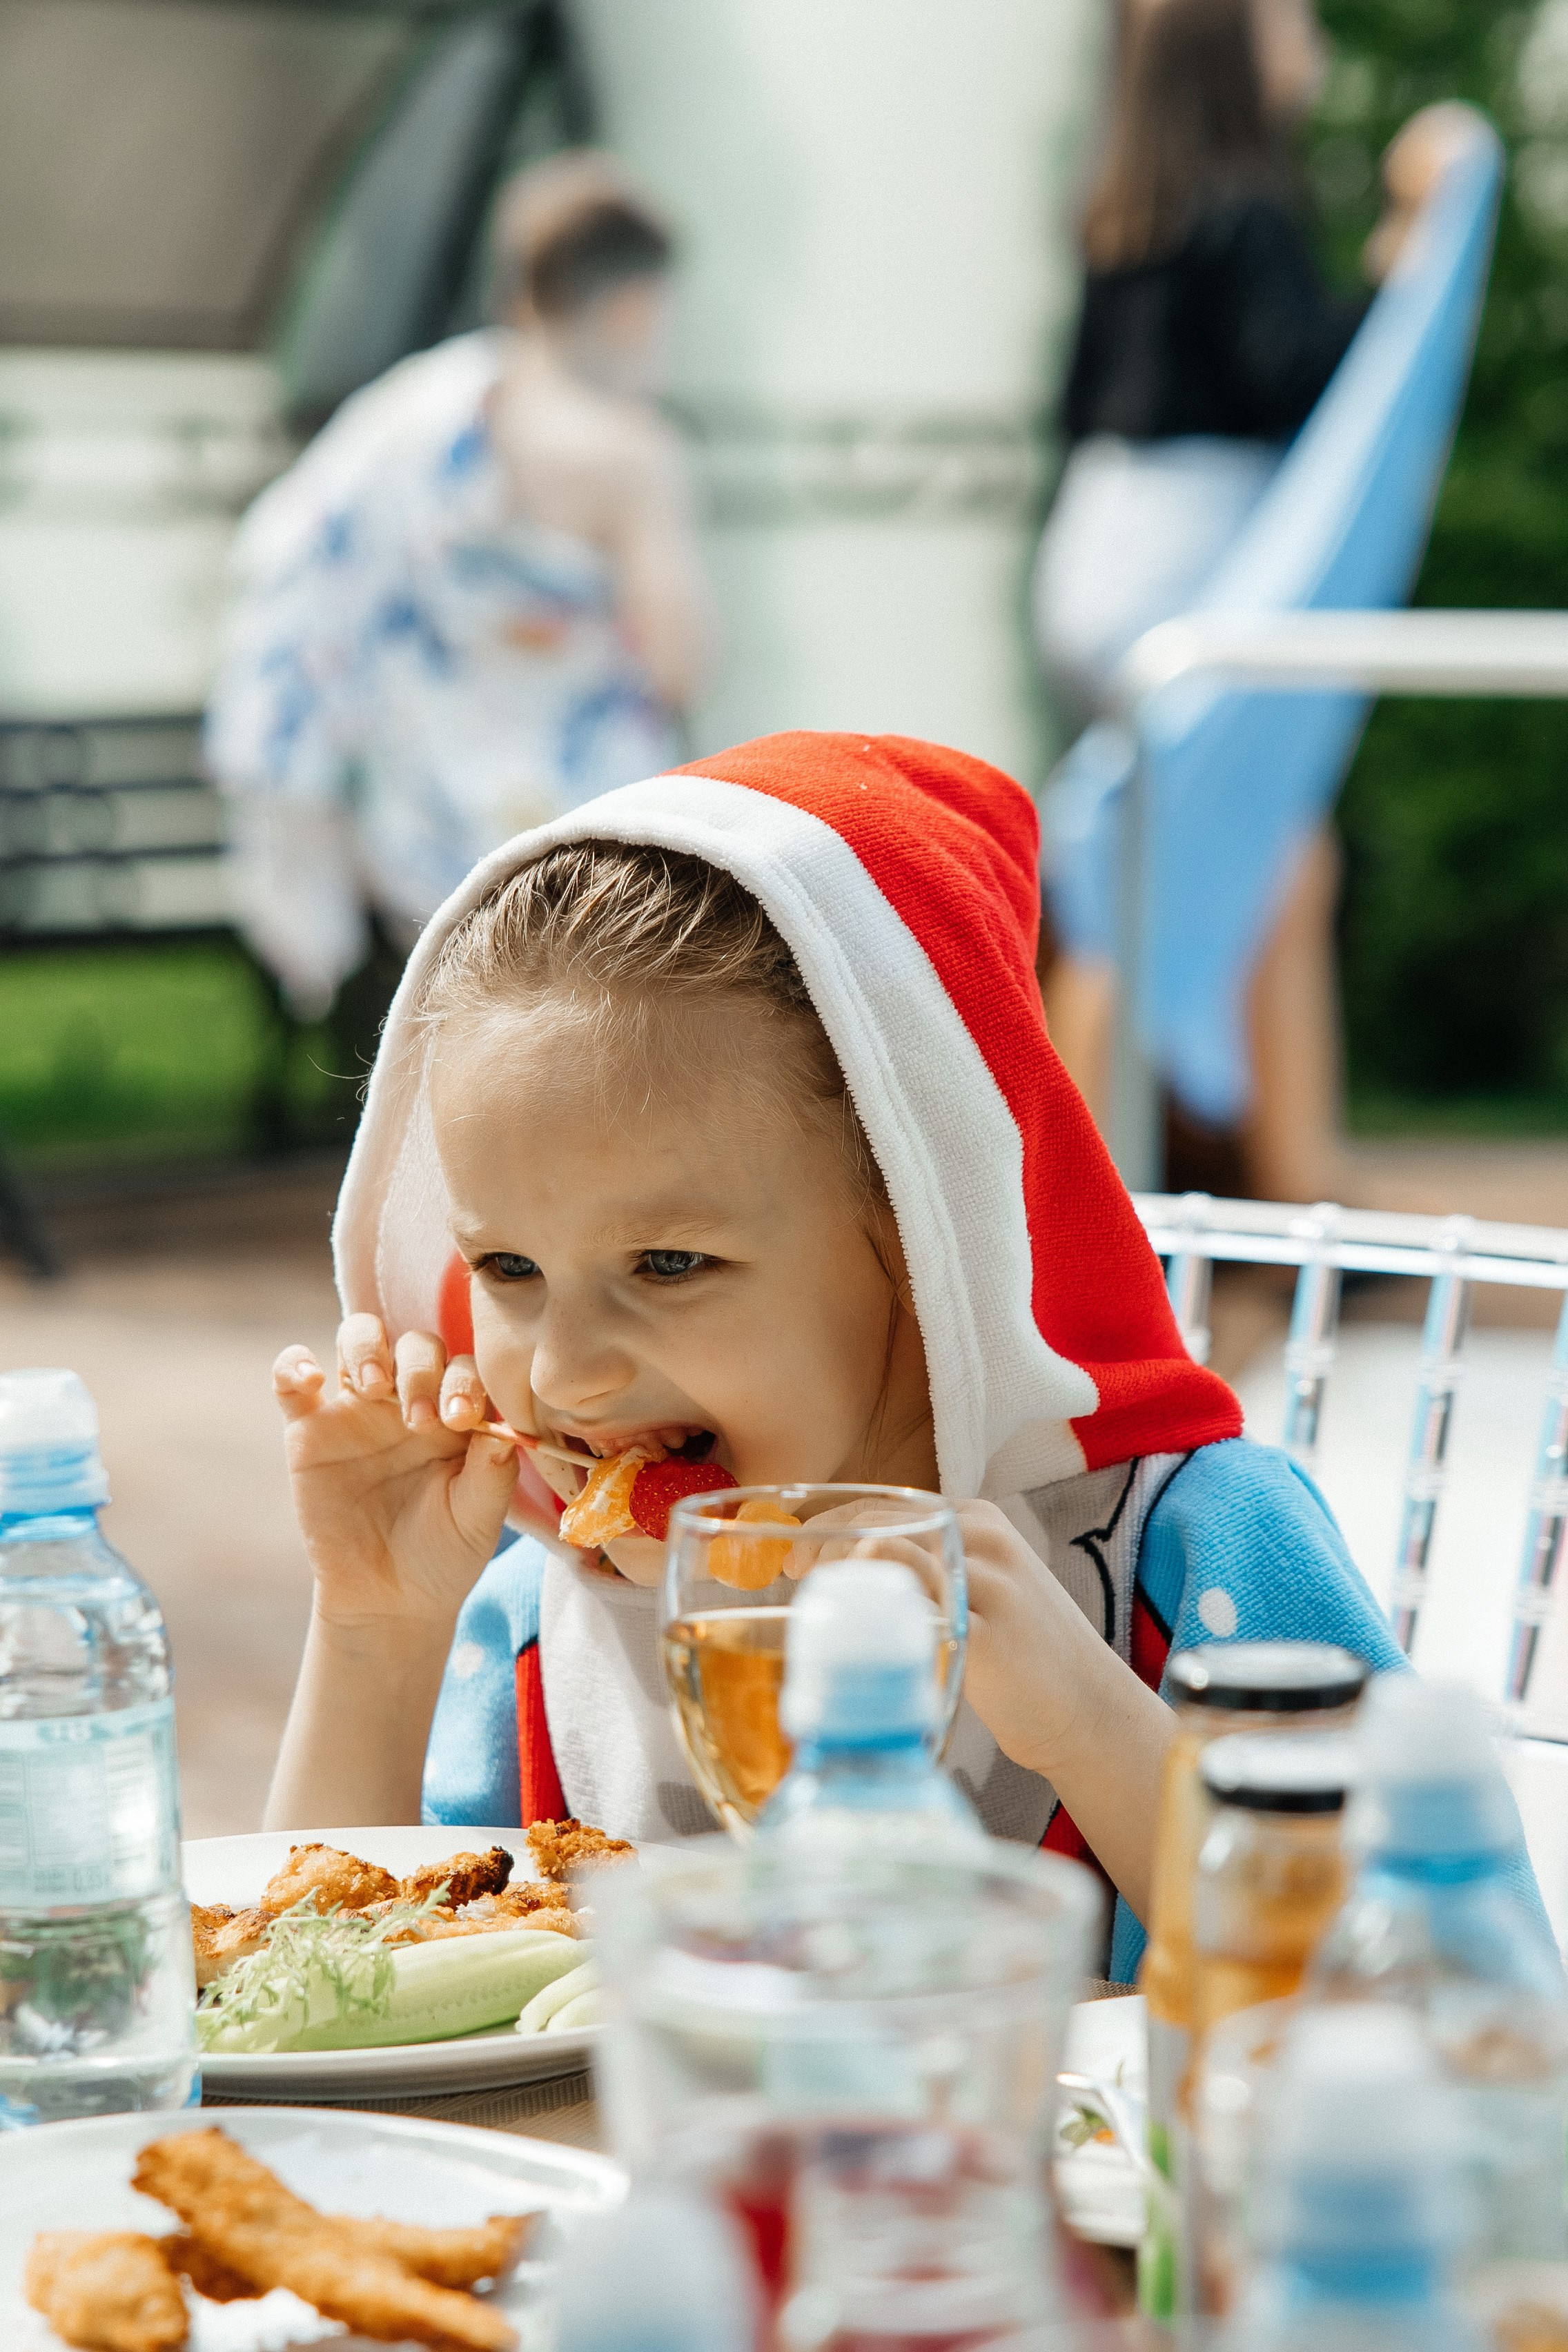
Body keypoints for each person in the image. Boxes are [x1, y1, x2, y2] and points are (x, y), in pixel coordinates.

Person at [262, 730, 1402, 1977]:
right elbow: (317, 2010)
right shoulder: (533, 1629)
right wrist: (373, 1632)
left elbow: (1433, 2009)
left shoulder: (1196, 1559)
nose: (564, 1376)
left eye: (668, 1264)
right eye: (507, 1271)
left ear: (927, 1245)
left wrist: (1088, 1723)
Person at [1035, 0, 1473, 1199]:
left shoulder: (1125, 207)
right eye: (1290, 23)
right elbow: (1300, 378)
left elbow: (1075, 401)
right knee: (1174, 873)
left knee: (1260, 861)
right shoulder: (1245, 211)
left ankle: (1267, 1173)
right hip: (1188, 585)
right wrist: (1405, 255)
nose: (1311, 44)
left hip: (1097, 558)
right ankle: (1113, 1198)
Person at [207, 150, 714, 1022]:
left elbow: (303, 554)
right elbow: (679, 667)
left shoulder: (423, 411)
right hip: (582, 836)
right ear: (633, 306)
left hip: (421, 819)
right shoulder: (628, 452)